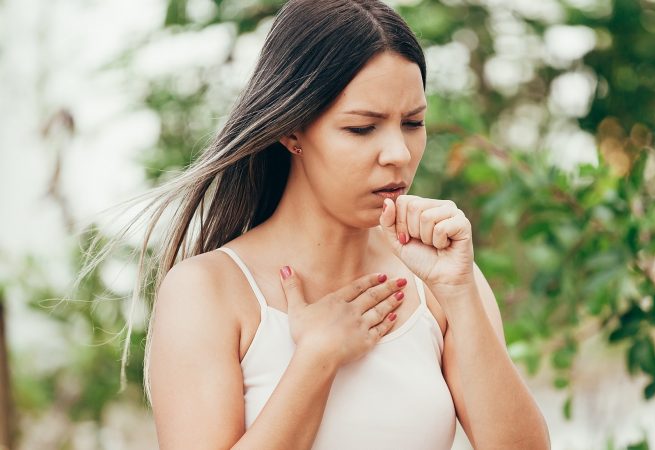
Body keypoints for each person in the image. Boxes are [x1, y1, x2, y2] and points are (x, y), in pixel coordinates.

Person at [129, 0, 550, 448]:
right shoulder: (208, 290)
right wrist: (316, 360)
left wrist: (461, 295)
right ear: (291, 131)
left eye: (413, 123)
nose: (399, 154)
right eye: (362, 128)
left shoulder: (441, 285)